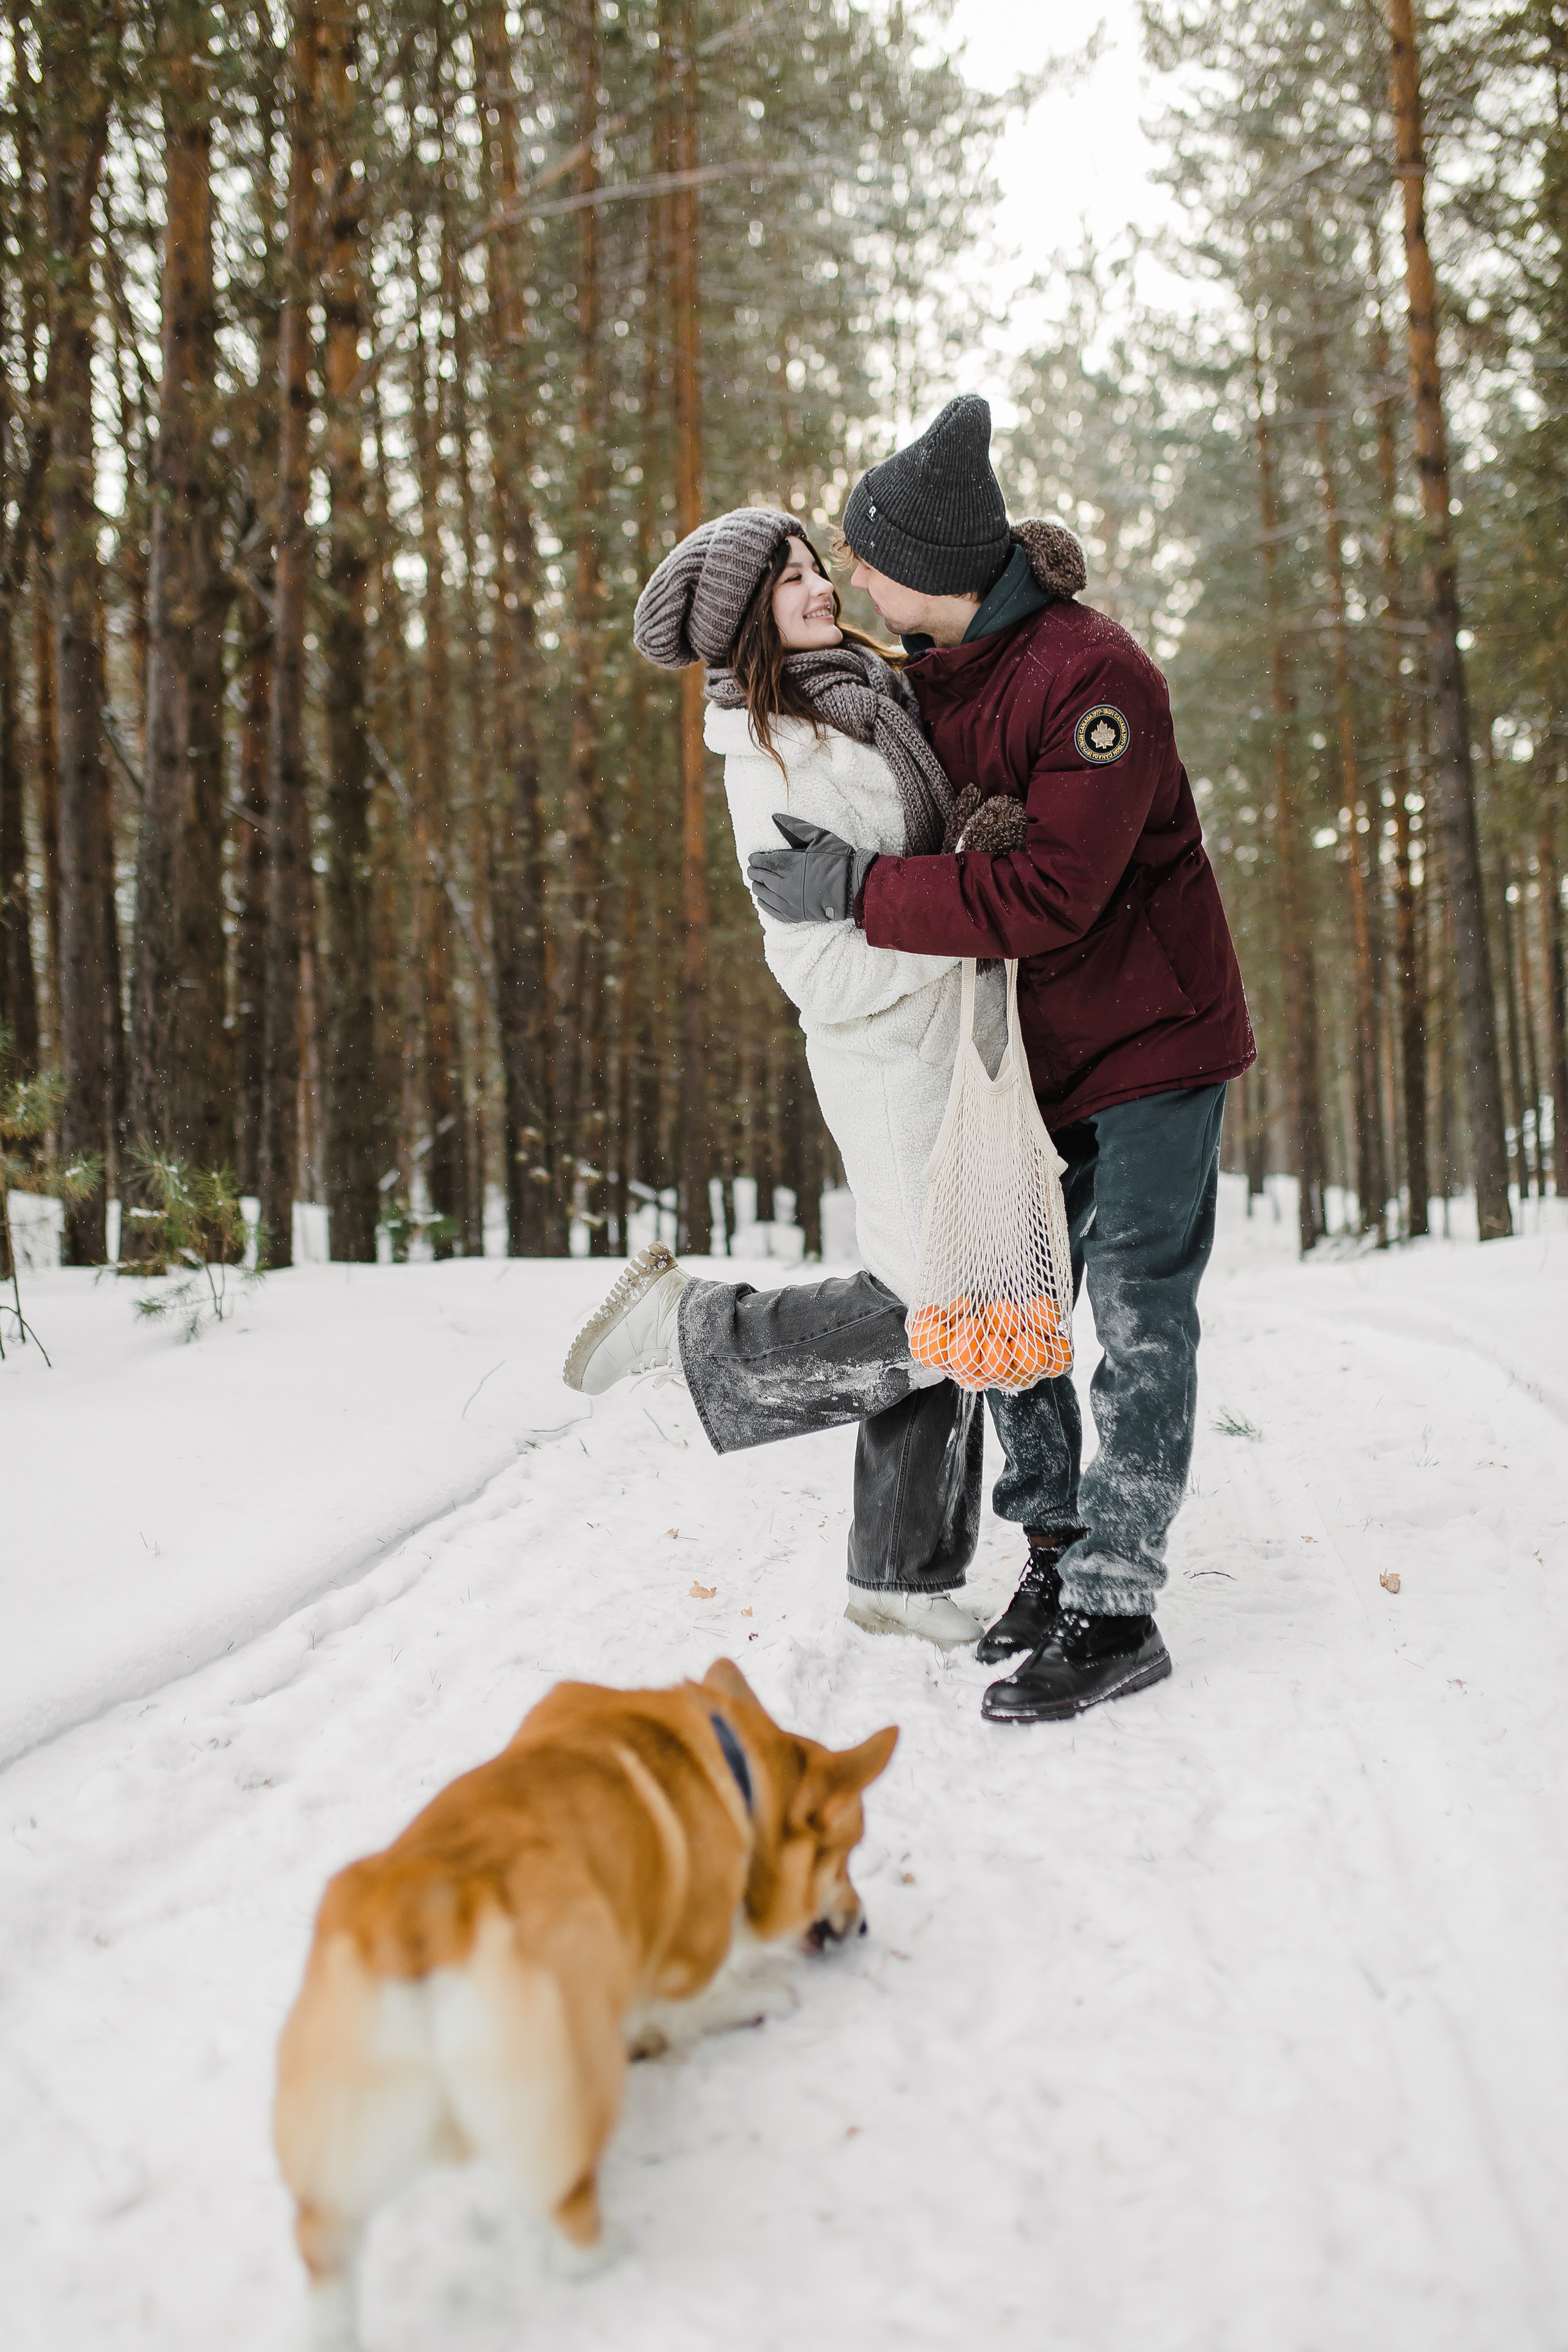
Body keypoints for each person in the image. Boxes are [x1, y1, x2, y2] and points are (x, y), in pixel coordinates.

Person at [744, 394, 1256, 1722]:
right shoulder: (925, 678)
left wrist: (857, 891)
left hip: (1150, 1041)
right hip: (1020, 1057)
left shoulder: (1096, 680)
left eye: (864, 556)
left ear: (929, 566)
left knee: (1136, 1311)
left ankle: (1116, 1598)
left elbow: (1045, 897)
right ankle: (1048, 1549)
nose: (852, 577)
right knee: (1011, 1307)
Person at [566, 502, 1054, 1646]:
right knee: (936, 1315)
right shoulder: (773, 753)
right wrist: (938, 922)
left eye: (815, 568)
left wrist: (953, 875)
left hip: (955, 1047)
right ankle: (689, 1329)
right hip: (892, 1066)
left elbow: (903, 865)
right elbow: (817, 969)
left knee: (953, 1316)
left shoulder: (868, 698)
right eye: (789, 580)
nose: (820, 587)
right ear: (745, 616)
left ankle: (899, 1580)